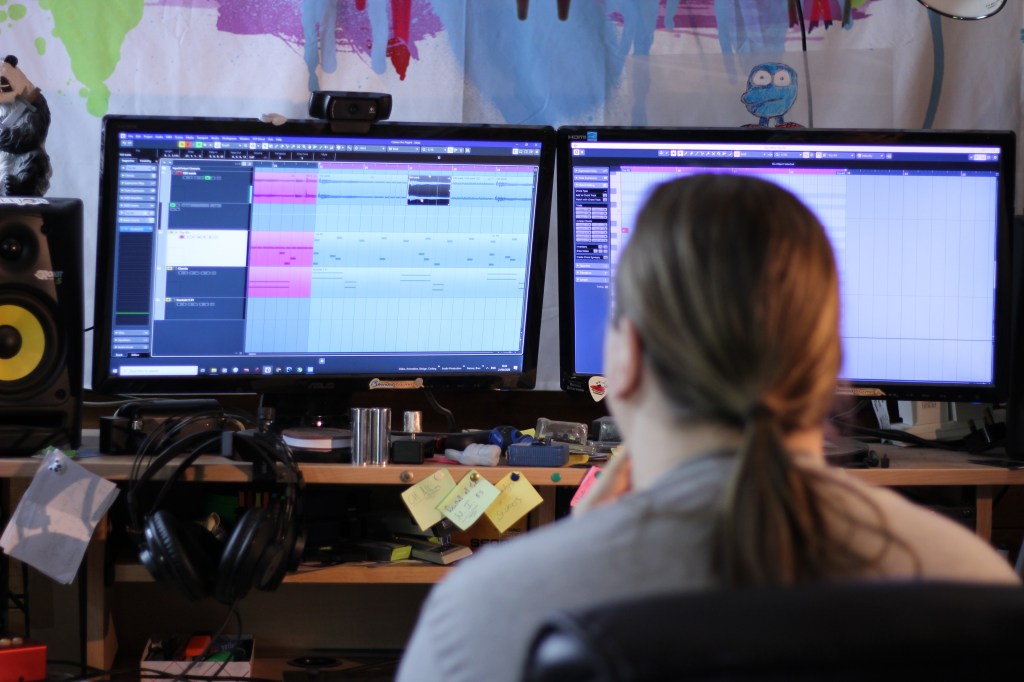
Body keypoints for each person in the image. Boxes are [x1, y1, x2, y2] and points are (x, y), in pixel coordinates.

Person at [395, 174, 1019, 682]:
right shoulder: (974, 583)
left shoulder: (490, 608)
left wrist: (574, 552)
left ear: (628, 361)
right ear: (830, 365)